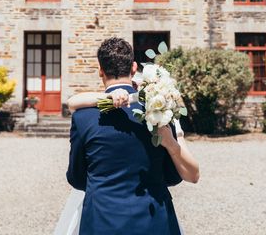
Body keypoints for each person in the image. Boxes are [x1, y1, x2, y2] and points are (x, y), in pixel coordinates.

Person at [57, 38, 199, 235]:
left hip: (102, 221)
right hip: (154, 220)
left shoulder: (83, 117)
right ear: (134, 67)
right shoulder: (160, 112)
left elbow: (76, 177)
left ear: (100, 70)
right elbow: (174, 175)